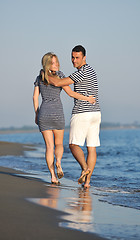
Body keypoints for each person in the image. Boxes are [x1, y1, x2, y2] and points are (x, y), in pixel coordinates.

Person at [33, 52, 96, 185]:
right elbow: (70, 93)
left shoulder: (39, 78)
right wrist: (87, 98)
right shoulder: (60, 75)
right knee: (59, 144)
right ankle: (59, 162)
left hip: (44, 113)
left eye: (57, 62)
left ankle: (53, 176)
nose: (56, 65)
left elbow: (35, 97)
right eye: (53, 63)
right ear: (48, 64)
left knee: (49, 147)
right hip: (57, 113)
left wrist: (37, 114)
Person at [47, 45, 101, 188]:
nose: (74, 60)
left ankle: (84, 168)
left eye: (77, 57)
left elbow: (59, 83)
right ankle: (87, 182)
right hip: (96, 113)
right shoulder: (92, 70)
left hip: (82, 112)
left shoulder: (80, 73)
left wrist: (47, 74)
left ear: (84, 57)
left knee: (73, 145)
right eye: (72, 57)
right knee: (92, 148)